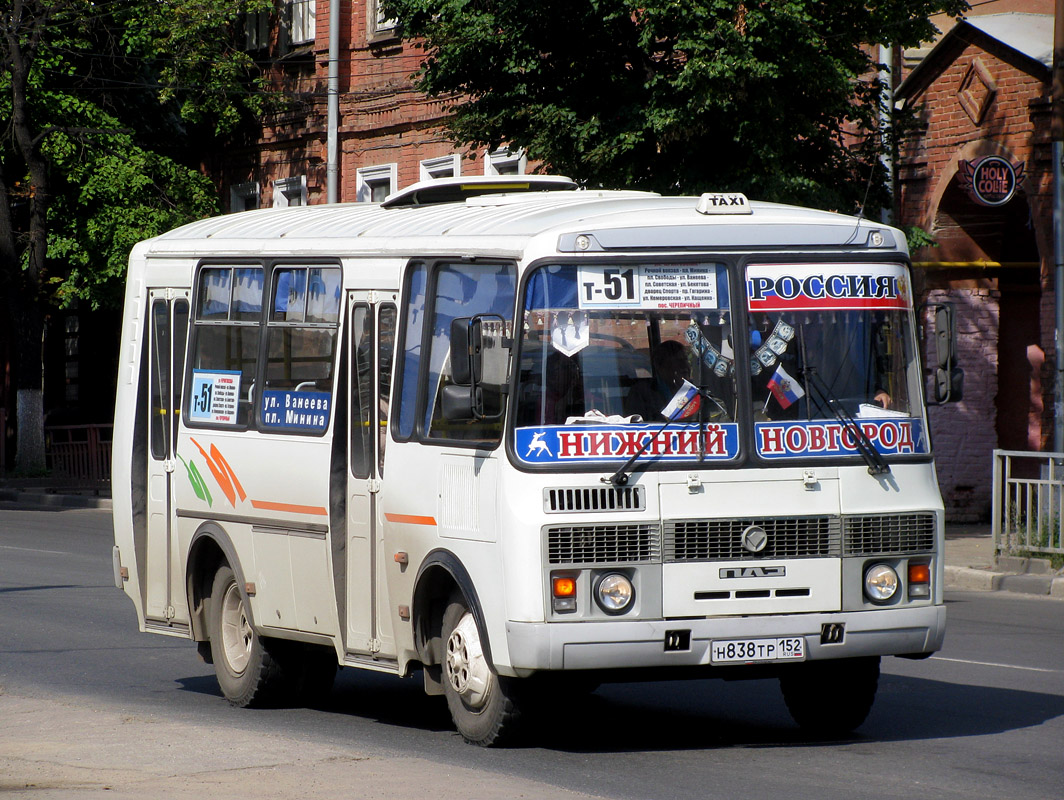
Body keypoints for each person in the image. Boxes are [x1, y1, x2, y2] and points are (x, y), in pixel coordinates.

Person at [624, 340, 691, 421]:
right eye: (678, 361)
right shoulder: (642, 392)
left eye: (685, 360)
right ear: (660, 365)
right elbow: (635, 425)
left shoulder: (692, 391)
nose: (685, 366)